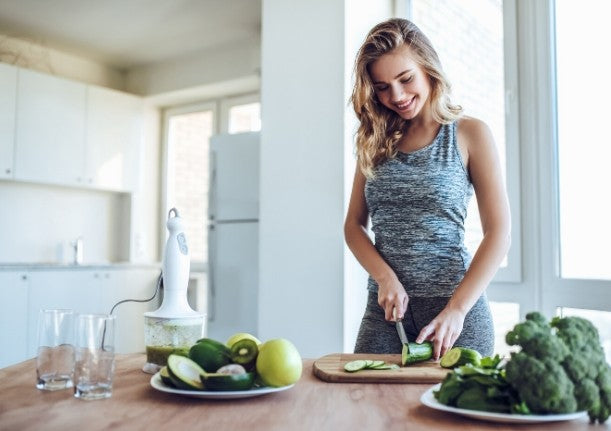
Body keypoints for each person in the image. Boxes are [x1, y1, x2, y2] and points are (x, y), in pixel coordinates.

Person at [344, 18, 511, 360]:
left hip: (455, 313)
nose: (397, 96)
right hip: (386, 314)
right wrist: (384, 277)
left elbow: (500, 232)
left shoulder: (469, 134)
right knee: (368, 409)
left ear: (428, 68)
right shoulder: (372, 141)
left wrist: (457, 310)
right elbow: (353, 226)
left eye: (405, 79)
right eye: (382, 87)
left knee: (453, 413)